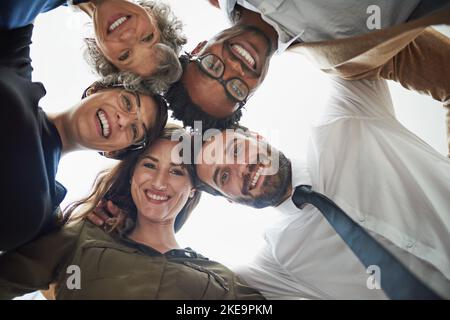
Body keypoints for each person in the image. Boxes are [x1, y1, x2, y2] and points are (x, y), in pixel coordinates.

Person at [192, 77, 450, 299]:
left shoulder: (345, 122)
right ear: (229, 199)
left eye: (236, 149)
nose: (241, 168)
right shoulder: (279, 261)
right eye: (224, 176)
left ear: (257, 137)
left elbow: (345, 37)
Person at [0, 125, 265, 300]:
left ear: (193, 189)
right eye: (149, 165)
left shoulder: (221, 280)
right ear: (131, 176)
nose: (159, 182)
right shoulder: (83, 236)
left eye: (176, 171)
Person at [166, 0, 450, 154]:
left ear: (199, 48)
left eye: (213, 67)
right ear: (252, 93)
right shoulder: (347, 58)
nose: (235, 68)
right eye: (236, 89)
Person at [0, 13, 168, 251]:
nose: (123, 120)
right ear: (97, 89)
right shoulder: (14, 65)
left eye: (133, 130)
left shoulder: (48, 213)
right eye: (128, 104)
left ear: (113, 152)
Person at [0, 0, 187, 93]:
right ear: (151, 12)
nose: (128, 36)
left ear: (100, 51)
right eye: (147, 38)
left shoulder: (14, 13)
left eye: (125, 55)